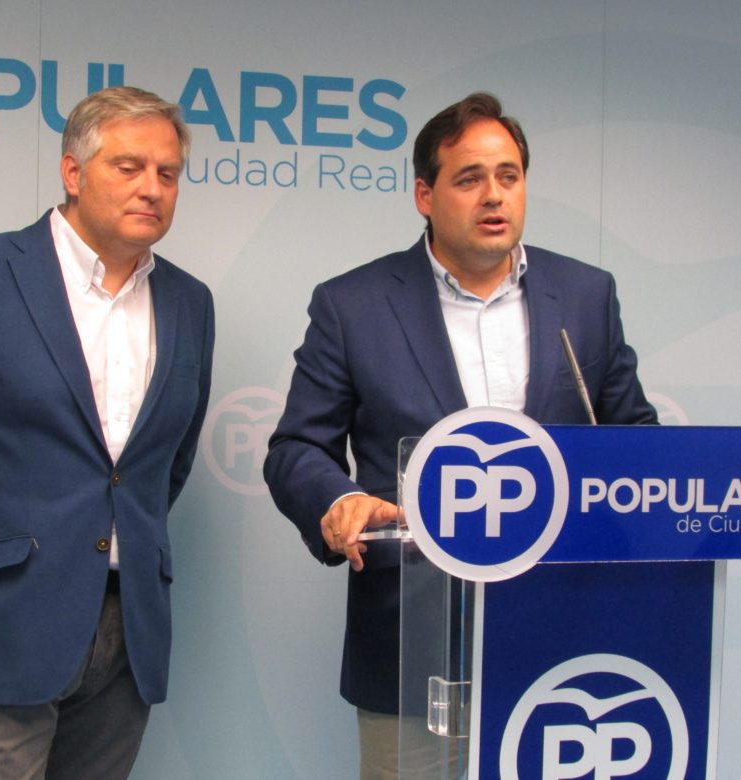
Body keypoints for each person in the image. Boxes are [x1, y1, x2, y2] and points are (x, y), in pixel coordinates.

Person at [263, 92, 657, 778]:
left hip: (563, 638)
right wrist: (339, 501)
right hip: (411, 647)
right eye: (470, 179)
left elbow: (636, 439)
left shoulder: (586, 295)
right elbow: (296, 448)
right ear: (425, 194)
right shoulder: (354, 305)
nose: (494, 195)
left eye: (509, 176)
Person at [0, 86, 214, 778]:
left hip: (127, 628)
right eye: (129, 167)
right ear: (73, 172)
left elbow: (161, 467)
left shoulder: (190, 302)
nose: (152, 188)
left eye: (168, 173)